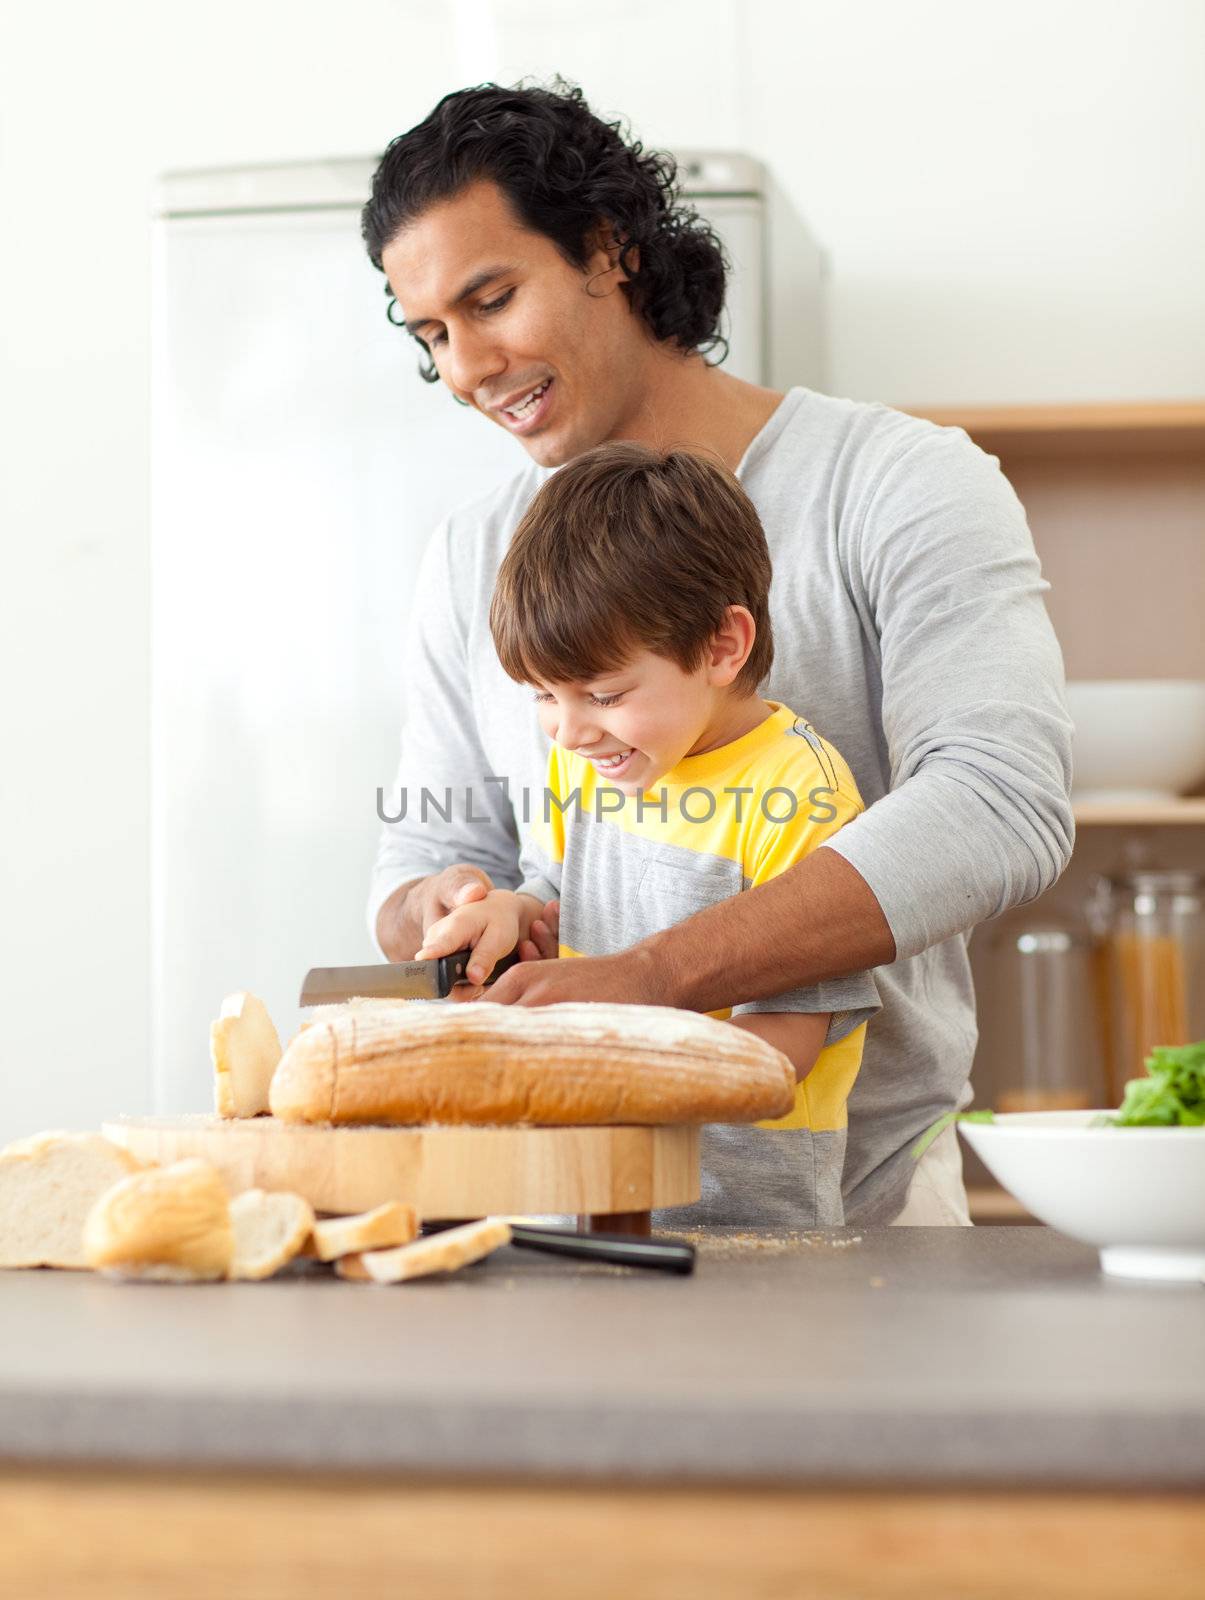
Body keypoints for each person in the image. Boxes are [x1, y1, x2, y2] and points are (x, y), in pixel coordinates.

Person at [360, 81, 1075, 1226]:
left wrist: (651, 980)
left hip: (858, 1208)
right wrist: (449, 907)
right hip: (568, 1211)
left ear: (608, 249)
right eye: (431, 334)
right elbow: (429, 845)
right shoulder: (471, 555)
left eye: (490, 300)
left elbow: (998, 803)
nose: (465, 367)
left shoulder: (894, 484)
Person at [414, 440, 881, 1226]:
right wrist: (516, 915)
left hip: (746, 1224)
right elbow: (568, 892)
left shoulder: (801, 793)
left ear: (721, 647)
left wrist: (588, 1047)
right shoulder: (595, 760)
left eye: (601, 692)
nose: (566, 731)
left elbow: (781, 1054)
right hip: (586, 1205)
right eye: (541, 697)